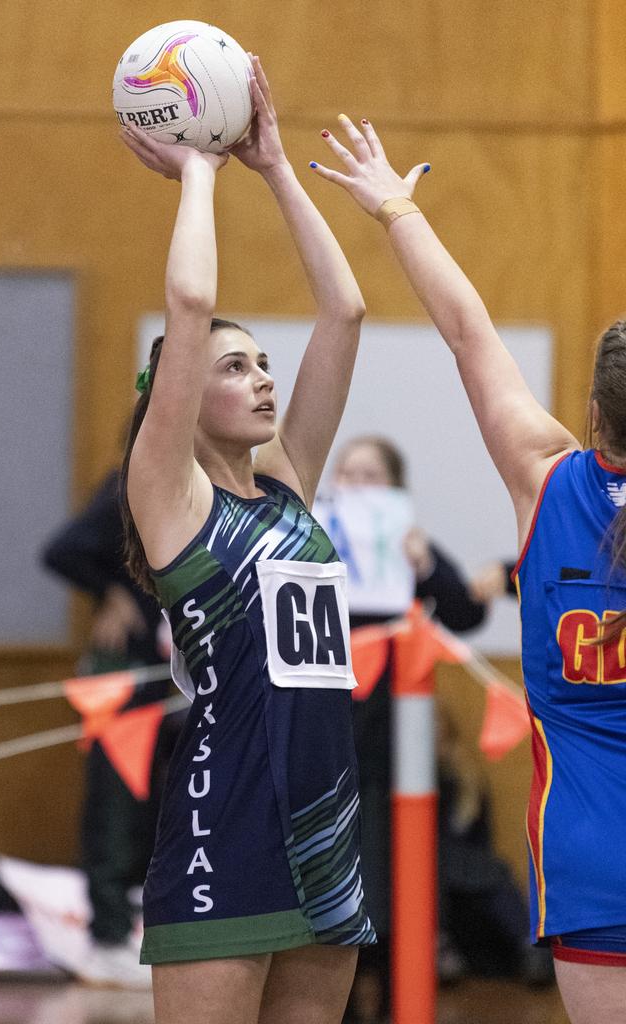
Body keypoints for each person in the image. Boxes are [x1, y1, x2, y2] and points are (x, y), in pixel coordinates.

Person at [311, 116, 626, 1024]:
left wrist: (398, 210)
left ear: (595, 411)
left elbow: (466, 332)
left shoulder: (547, 480)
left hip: (590, 855)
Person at [118, 58, 373, 1024]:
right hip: (224, 824)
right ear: (182, 399)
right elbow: (188, 306)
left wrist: (273, 165)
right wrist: (198, 173)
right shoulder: (170, 496)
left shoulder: (288, 487)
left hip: (327, 827)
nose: (265, 379)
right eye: (237, 367)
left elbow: (343, 311)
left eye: (266, 363)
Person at [318, 435, 488, 1022]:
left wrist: (427, 564)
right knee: (329, 865)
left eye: (369, 475)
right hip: (324, 731)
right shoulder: (310, 543)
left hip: (395, 740)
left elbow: (467, 612)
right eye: (346, 473)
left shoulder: (408, 549)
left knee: (394, 868)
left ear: (393, 489)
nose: (355, 485)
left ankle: (398, 997)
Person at [42, 468, 175, 989]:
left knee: (152, 805)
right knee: (114, 802)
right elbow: (64, 549)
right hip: (122, 671)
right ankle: (106, 936)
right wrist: (115, 593)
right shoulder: (134, 480)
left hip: (167, 674)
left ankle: (137, 927)